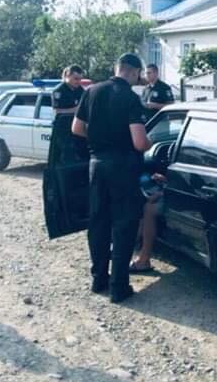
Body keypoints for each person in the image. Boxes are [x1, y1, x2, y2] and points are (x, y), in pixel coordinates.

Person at [72, 53, 152, 303]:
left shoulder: (91, 91)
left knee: (98, 223)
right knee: (124, 225)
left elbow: (76, 128)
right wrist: (149, 143)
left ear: (116, 68)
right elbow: (139, 143)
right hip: (124, 168)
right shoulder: (130, 98)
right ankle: (119, 287)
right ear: (134, 72)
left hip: (96, 165)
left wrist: (99, 142)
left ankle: (99, 279)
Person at [48, 65, 86, 166]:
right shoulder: (59, 90)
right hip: (63, 129)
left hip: (76, 128)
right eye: (76, 79)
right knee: (65, 156)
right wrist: (76, 110)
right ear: (67, 76)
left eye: (80, 79)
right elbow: (57, 111)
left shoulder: (80, 90)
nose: (78, 81)